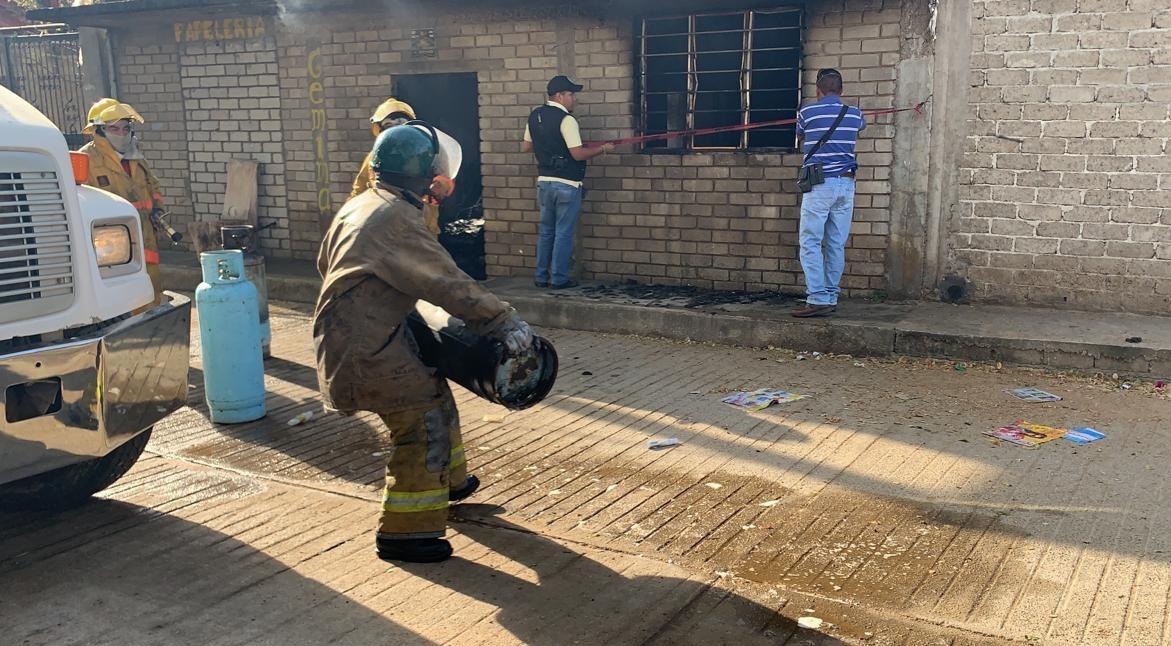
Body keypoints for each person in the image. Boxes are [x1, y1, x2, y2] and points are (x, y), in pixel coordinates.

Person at [314, 121, 534, 564]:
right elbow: (446, 282)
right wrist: (503, 322)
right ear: (422, 175)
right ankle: (406, 532)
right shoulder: (396, 219)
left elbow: (326, 262)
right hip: (365, 347)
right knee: (420, 424)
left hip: (365, 333)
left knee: (435, 393)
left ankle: (449, 482)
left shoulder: (366, 202)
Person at [522, 75, 614, 289]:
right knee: (563, 233)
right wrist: (603, 149)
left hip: (544, 183)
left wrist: (550, 149)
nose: (575, 99)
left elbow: (526, 147)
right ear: (560, 95)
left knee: (546, 232)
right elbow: (578, 154)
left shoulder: (535, 116)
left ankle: (541, 277)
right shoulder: (567, 120)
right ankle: (559, 279)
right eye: (572, 94)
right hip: (567, 184)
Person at [792, 68, 866, 318]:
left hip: (819, 184)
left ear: (817, 91)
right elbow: (860, 127)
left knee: (810, 241)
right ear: (841, 90)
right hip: (846, 185)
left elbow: (800, 138)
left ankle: (818, 298)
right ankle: (830, 295)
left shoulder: (806, 112)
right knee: (836, 243)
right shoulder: (855, 113)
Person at [79, 98, 165, 305]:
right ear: (98, 131)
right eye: (114, 128)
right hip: (111, 246)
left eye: (126, 128)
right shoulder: (86, 159)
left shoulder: (135, 155)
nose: (122, 134)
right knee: (122, 301)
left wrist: (159, 210)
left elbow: (152, 186)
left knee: (151, 294)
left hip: (146, 237)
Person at [350, 98, 451, 237]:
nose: (397, 129)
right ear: (380, 129)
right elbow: (359, 189)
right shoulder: (374, 159)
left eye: (402, 123)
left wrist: (436, 188)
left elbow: (443, 183)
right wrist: (353, 217)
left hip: (421, 223)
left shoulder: (426, 153)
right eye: (389, 125)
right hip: (386, 222)